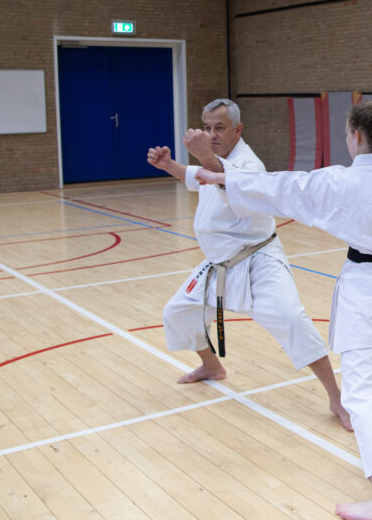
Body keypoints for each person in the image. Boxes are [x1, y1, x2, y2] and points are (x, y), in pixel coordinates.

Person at [194, 100, 372, 520]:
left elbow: (282, 188)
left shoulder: (341, 181)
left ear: (357, 136)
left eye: (346, 134)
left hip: (367, 289)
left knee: (361, 395)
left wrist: (218, 176)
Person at [146, 98, 351, 431]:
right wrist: (169, 164)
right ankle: (212, 366)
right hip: (218, 264)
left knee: (290, 319)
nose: (212, 135)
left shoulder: (248, 164)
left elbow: (226, 180)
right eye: (207, 128)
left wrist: (203, 156)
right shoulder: (216, 160)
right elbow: (197, 174)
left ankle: (336, 396)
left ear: (238, 129)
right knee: (178, 312)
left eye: (220, 128)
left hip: (258, 260)